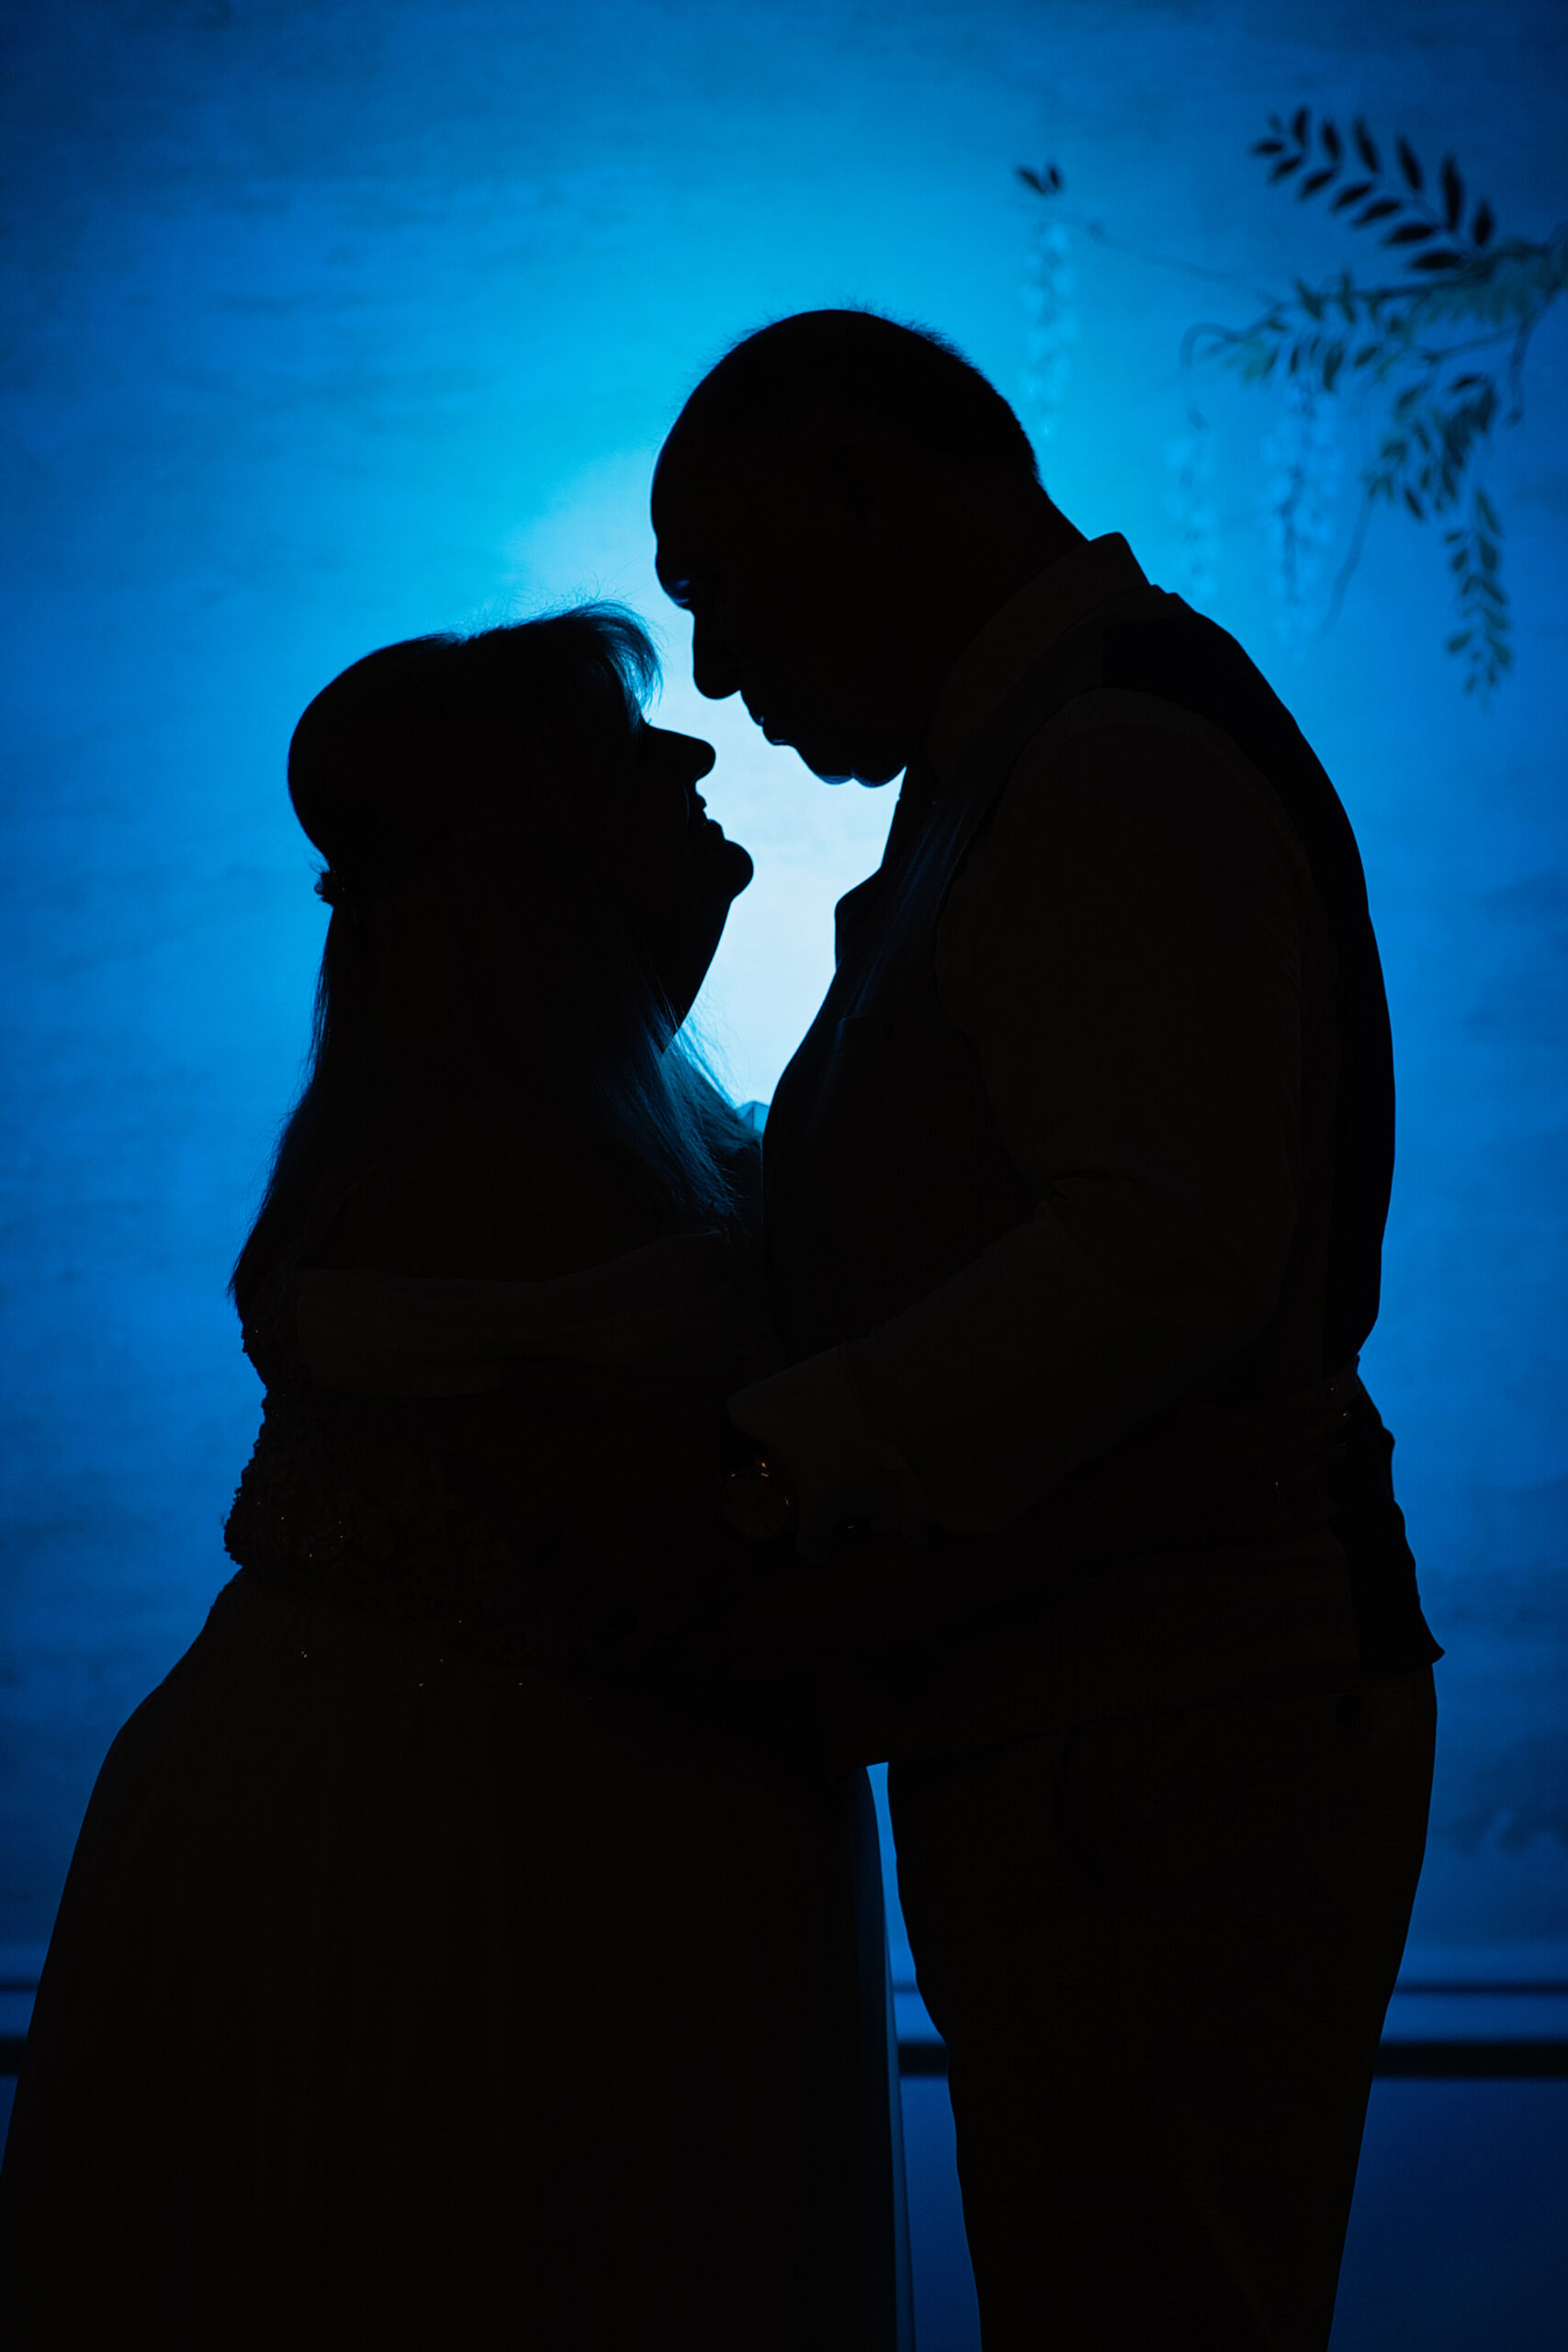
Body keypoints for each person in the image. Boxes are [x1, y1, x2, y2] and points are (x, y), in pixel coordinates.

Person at [652, 309, 1443, 2352]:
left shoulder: (1099, 768)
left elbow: (1161, 1250)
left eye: (723, 586)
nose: (720, 676)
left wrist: (792, 1446)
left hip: (1166, 1719)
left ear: (871, 499)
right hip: (1142, 1710)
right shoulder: (1065, 748)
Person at [0, 606, 910, 2350]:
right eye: (631, 744)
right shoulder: (478, 1175)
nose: (700, 752)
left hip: (494, 1833)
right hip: (456, 1877)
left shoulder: (614, 1142)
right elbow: (651, 1570)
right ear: (544, 844)